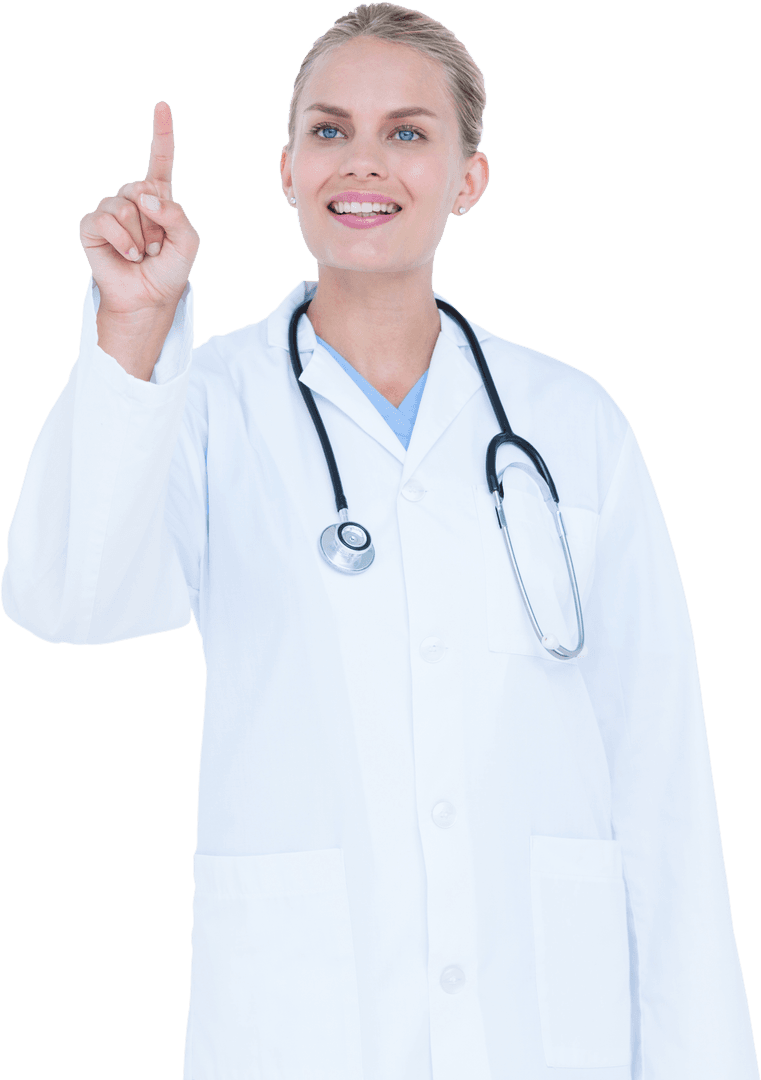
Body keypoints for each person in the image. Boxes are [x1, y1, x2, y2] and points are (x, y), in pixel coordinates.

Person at [2, 3, 758, 1077]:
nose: (364, 162)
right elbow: (69, 597)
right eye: (328, 129)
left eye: (407, 133)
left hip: (546, 1028)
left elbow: (661, 767)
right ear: (284, 169)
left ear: (467, 177)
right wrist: (132, 325)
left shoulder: (568, 420)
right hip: (306, 1023)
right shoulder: (204, 397)